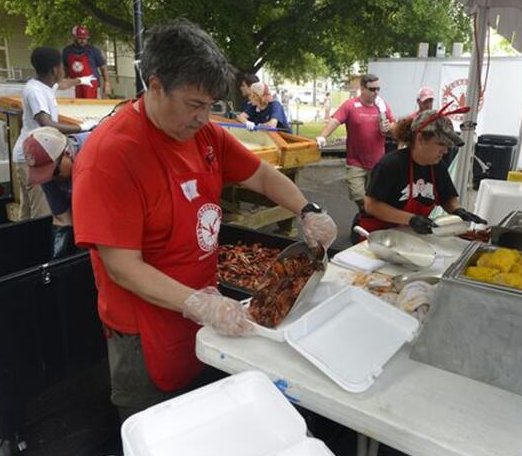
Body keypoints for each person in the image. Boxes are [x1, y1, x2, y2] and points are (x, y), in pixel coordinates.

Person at [71, 19, 337, 421]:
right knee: (156, 428)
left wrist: (307, 210)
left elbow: (261, 175)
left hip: (206, 310)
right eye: (195, 104)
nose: (203, 117)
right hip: (146, 329)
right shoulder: (111, 156)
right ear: (155, 86)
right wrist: (196, 304)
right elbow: (122, 268)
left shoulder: (204, 135)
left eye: (211, 105)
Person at [359, 106, 486, 236]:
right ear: (420, 139)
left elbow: (447, 197)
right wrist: (411, 219)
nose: (446, 151)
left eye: (448, 146)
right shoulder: (390, 165)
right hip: (376, 234)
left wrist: (457, 210)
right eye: (441, 144)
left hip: (408, 235)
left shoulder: (437, 166)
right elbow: (371, 205)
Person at [12, 46, 98, 221]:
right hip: (34, 158)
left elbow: (63, 83)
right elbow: (46, 123)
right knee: (40, 213)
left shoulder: (43, 85)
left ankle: (24, 245)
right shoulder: (35, 91)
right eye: (61, 66)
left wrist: (81, 80)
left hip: (31, 154)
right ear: (55, 69)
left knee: (27, 210)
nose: (64, 70)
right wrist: (82, 127)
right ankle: (38, 246)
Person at [316, 74, 395, 214]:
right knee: (358, 195)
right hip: (356, 162)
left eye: (378, 89)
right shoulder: (350, 105)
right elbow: (335, 121)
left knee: (376, 197)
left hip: (377, 162)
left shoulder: (382, 106)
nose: (375, 92)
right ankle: (366, 213)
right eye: (372, 89)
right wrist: (323, 136)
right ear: (362, 88)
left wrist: (390, 128)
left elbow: (393, 126)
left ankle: (366, 218)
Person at [23, 126, 90, 259]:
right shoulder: (48, 173)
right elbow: (62, 218)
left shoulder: (93, 155)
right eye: (44, 175)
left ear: (67, 153)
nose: (51, 180)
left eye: (53, 173)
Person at [62, 25, 111, 99]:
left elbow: (103, 67)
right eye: (80, 38)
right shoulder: (67, 51)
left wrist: (107, 83)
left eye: (85, 38)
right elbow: (65, 68)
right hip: (74, 86)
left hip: (91, 86)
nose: (83, 41)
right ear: (75, 37)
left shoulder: (93, 51)